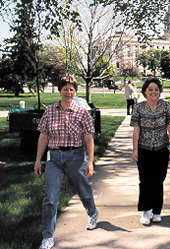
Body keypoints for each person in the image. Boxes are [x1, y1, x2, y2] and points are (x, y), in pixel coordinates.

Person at [34, 75, 98, 249]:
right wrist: (38, 160)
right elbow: (43, 136)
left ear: (75, 92)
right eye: (65, 89)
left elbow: (88, 138)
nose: (68, 92)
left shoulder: (82, 112)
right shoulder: (50, 111)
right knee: (51, 198)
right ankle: (47, 236)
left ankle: (92, 212)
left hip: (76, 158)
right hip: (54, 159)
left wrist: (90, 161)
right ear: (60, 90)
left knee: (83, 191)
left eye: (71, 89)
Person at [130, 77, 170, 225]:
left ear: (160, 91)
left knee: (158, 180)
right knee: (145, 181)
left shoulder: (166, 106)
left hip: (161, 149)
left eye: (156, 89)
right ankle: (146, 210)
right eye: (150, 89)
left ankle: (157, 211)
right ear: (144, 91)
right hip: (144, 149)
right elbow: (136, 130)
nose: (153, 92)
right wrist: (135, 150)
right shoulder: (138, 108)